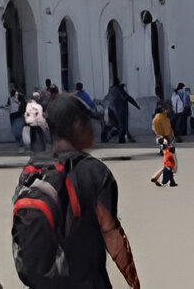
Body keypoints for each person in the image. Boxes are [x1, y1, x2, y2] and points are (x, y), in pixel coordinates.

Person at [44, 94, 142, 289]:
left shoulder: (33, 174)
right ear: (78, 127)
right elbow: (110, 231)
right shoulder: (96, 173)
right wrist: (133, 282)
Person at [148, 103, 175, 187]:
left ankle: (172, 181)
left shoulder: (155, 118)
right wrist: (168, 138)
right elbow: (167, 130)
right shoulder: (163, 118)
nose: (167, 111)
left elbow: (155, 130)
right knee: (168, 163)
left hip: (160, 139)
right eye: (166, 109)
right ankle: (156, 178)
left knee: (169, 163)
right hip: (165, 140)